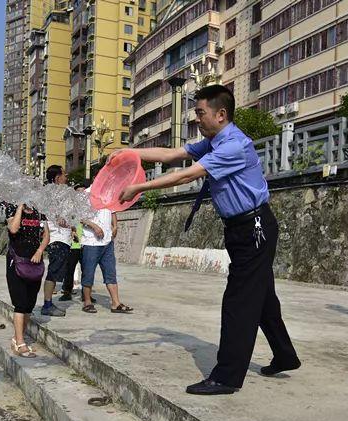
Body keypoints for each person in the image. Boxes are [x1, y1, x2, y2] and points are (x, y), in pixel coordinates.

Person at [117, 84, 299, 395]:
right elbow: (174, 155)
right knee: (262, 297)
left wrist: (138, 188)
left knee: (239, 302)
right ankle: (285, 355)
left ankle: (226, 376)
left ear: (221, 114)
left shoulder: (233, 146)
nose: (197, 119)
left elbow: (187, 175)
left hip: (253, 227)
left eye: (201, 114)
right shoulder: (215, 141)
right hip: (242, 228)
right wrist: (129, 153)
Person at [5, 203, 49, 356]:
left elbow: (46, 235)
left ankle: (17, 338)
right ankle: (20, 343)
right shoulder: (11, 208)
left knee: (30, 304)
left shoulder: (39, 211)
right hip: (16, 262)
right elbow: (13, 229)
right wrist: (19, 208)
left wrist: (40, 251)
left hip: (34, 262)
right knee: (20, 303)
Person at [80, 200, 132, 314]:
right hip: (91, 242)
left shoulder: (108, 196)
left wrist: (115, 226)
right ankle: (87, 302)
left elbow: (112, 212)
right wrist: (94, 226)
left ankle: (116, 303)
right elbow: (79, 217)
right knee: (88, 273)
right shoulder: (86, 195)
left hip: (107, 242)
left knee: (110, 272)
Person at [41, 165, 72, 317]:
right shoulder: (52, 194)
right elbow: (50, 212)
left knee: (56, 272)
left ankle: (49, 303)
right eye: (64, 174)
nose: (66, 177)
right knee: (53, 273)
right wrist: (58, 218)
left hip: (63, 238)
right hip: (57, 238)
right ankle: (47, 305)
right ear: (57, 178)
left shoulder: (59, 193)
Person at [60, 184, 89, 302]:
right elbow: (66, 221)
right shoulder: (70, 208)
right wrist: (72, 230)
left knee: (87, 270)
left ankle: (86, 294)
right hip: (73, 244)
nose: (81, 195)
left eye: (83, 192)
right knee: (69, 269)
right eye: (78, 192)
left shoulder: (89, 207)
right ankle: (67, 291)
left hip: (87, 243)